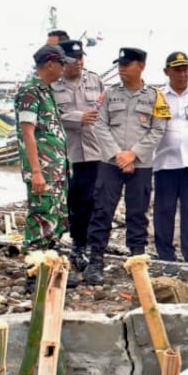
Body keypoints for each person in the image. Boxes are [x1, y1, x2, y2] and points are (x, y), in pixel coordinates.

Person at [81, 47, 169, 285]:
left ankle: (137, 260)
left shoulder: (155, 96)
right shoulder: (109, 94)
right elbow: (100, 125)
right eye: (119, 64)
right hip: (110, 162)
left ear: (140, 66)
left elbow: (158, 129)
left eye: (127, 64)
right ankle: (95, 261)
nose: (121, 68)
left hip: (140, 164)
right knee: (102, 210)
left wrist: (133, 154)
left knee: (138, 212)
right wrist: (118, 154)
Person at [15, 45, 71, 286]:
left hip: (56, 170)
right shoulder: (30, 91)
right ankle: (34, 274)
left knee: (56, 220)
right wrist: (36, 172)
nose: (64, 68)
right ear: (50, 63)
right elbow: (27, 134)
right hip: (43, 171)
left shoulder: (46, 91)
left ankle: (50, 271)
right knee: (40, 220)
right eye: (61, 63)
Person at [153, 50, 188, 276]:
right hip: (166, 161)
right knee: (164, 211)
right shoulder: (157, 95)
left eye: (185, 69)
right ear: (167, 72)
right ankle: (167, 258)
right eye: (177, 69)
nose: (183, 73)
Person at [51, 39, 105, 271]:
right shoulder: (53, 86)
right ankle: (75, 243)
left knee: (95, 200)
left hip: (96, 150)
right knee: (74, 201)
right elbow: (51, 117)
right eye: (74, 60)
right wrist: (77, 118)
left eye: (81, 58)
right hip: (68, 152)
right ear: (63, 62)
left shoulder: (95, 80)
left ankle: (91, 246)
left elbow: (106, 113)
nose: (79, 63)